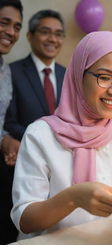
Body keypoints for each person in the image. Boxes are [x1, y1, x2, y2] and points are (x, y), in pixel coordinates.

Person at [11, 31, 112, 239]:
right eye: (105, 77)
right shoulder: (41, 136)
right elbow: (25, 221)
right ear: (78, 75)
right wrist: (72, 199)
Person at [3, 9, 66, 163]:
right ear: (30, 36)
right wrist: (43, 140)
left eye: (58, 34)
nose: (52, 39)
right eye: (45, 32)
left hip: (63, 160)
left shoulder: (67, 75)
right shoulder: (11, 72)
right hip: (25, 158)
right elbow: (8, 122)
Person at [0, 0, 23, 245]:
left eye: (17, 26)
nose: (11, 32)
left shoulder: (5, 70)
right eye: (4, 23)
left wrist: (6, 139)